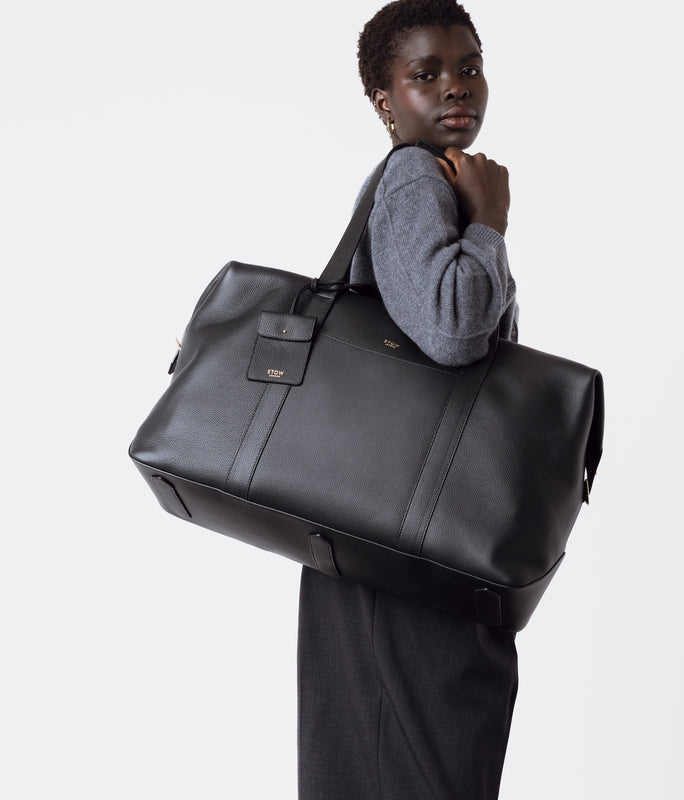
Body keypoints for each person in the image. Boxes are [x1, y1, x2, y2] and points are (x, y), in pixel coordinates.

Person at [297, 2, 519, 798]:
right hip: (406, 551)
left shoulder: (437, 178)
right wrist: (488, 223)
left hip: (390, 536)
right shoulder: (414, 176)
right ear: (384, 100)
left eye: (468, 65)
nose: (454, 88)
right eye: (424, 74)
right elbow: (454, 331)